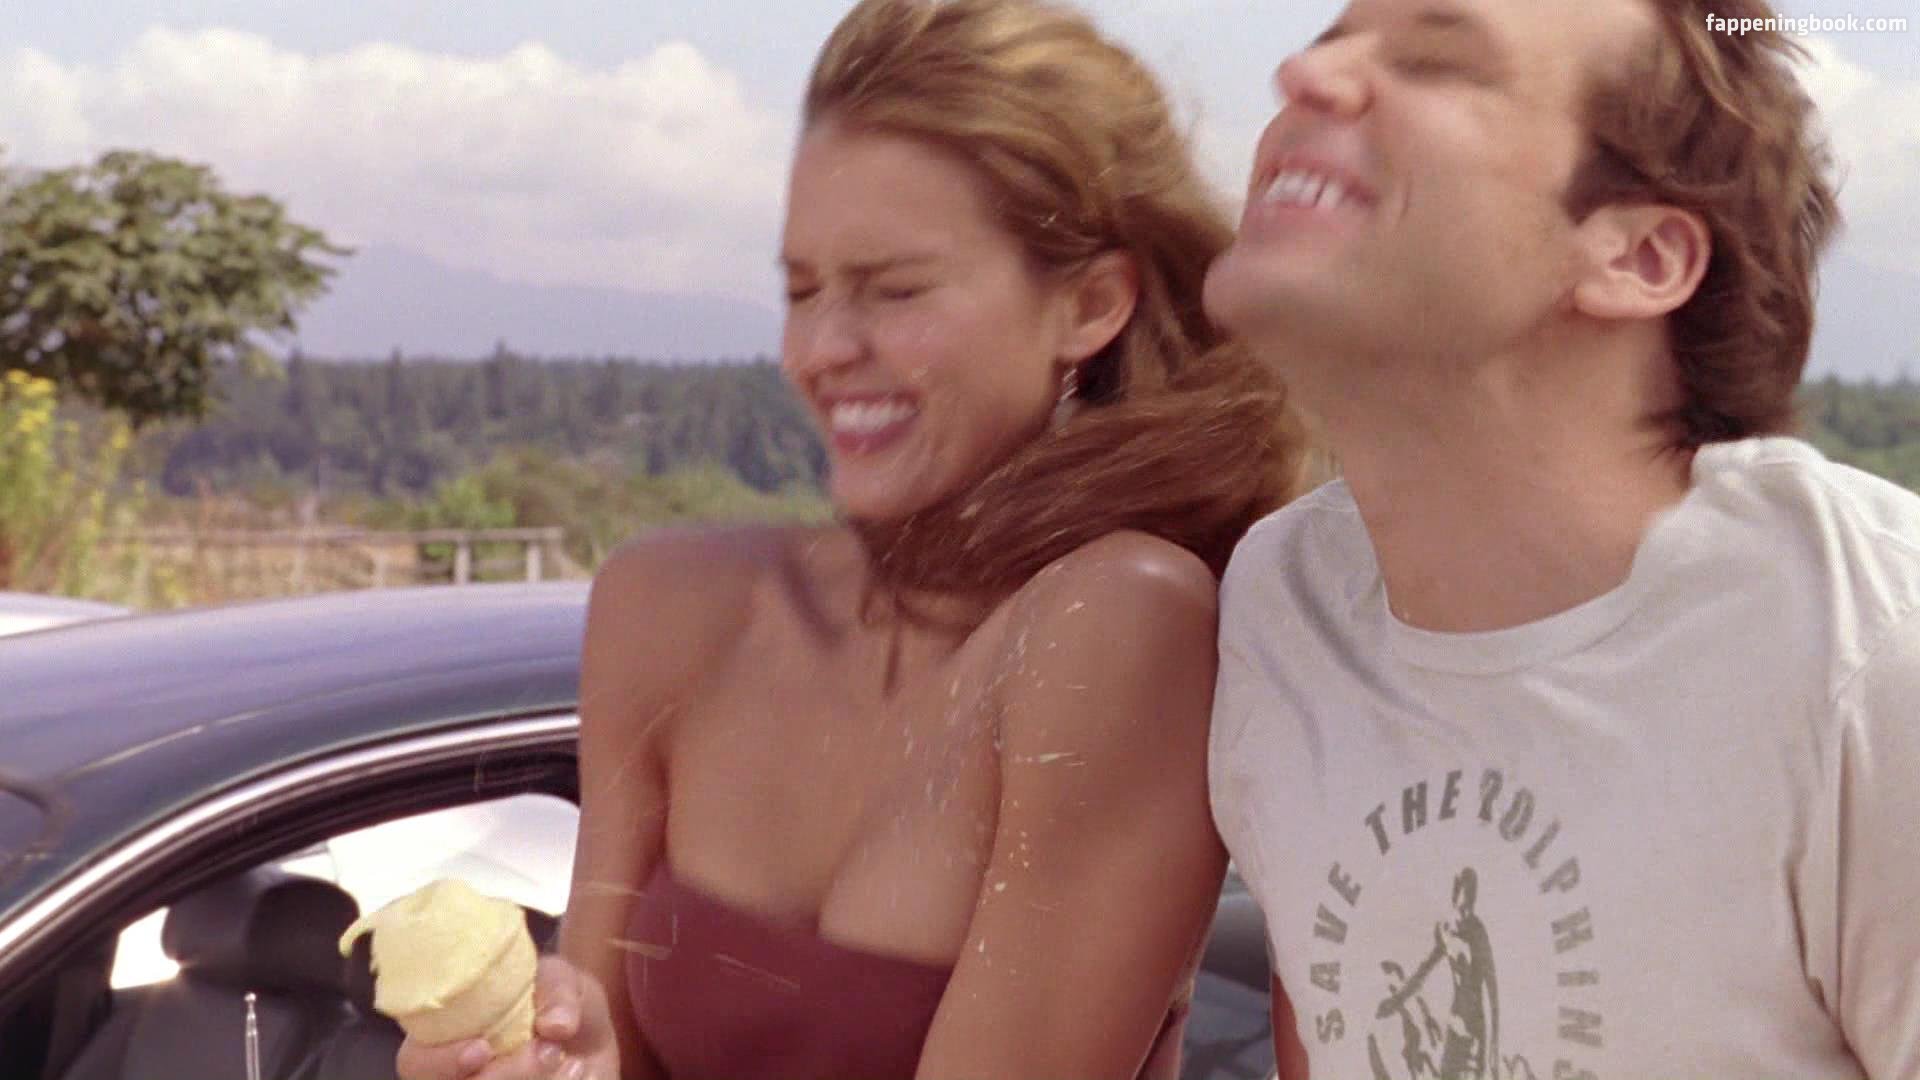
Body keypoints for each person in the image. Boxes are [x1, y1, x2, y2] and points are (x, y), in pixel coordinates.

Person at [398, 0, 1307, 1077]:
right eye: (802, 289)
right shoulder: (666, 608)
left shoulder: (1120, 625)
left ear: (1090, 306)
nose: (822, 348)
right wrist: (548, 1060)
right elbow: (607, 1054)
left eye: (895, 290)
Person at [1203, 0, 1919, 1075]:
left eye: (1438, 60)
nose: (1308, 79)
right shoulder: (1283, 608)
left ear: (1639, 256)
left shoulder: (1867, 651)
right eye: (1326, 42)